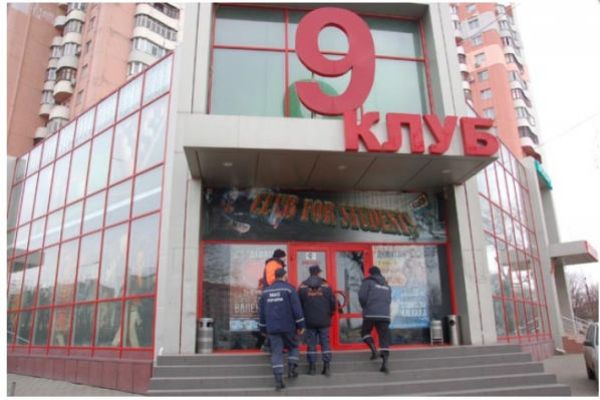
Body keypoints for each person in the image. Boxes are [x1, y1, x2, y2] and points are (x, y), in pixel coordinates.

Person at [259, 268, 305, 391]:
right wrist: (301, 325)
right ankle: (292, 368)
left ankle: (278, 379)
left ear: (275, 276)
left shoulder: (266, 291)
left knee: (276, 352)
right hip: (288, 327)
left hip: (272, 328)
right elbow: (297, 310)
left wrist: (263, 328)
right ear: (284, 276)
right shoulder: (289, 289)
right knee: (293, 346)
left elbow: (262, 313)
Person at [298, 265, 336, 376]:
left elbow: (298, 305)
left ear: (310, 273)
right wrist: (330, 313)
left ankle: (312, 368)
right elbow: (333, 303)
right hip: (324, 320)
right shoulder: (326, 285)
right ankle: (326, 367)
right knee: (325, 343)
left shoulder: (303, 286)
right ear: (319, 273)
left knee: (311, 344)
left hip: (309, 320)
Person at [358, 266, 392, 374]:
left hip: (371, 313)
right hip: (384, 315)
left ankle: (374, 349)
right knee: (384, 338)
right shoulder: (387, 285)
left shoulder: (368, 282)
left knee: (365, 332)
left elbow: (362, 297)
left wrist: (365, 306)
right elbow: (389, 299)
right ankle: (385, 363)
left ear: (370, 273)